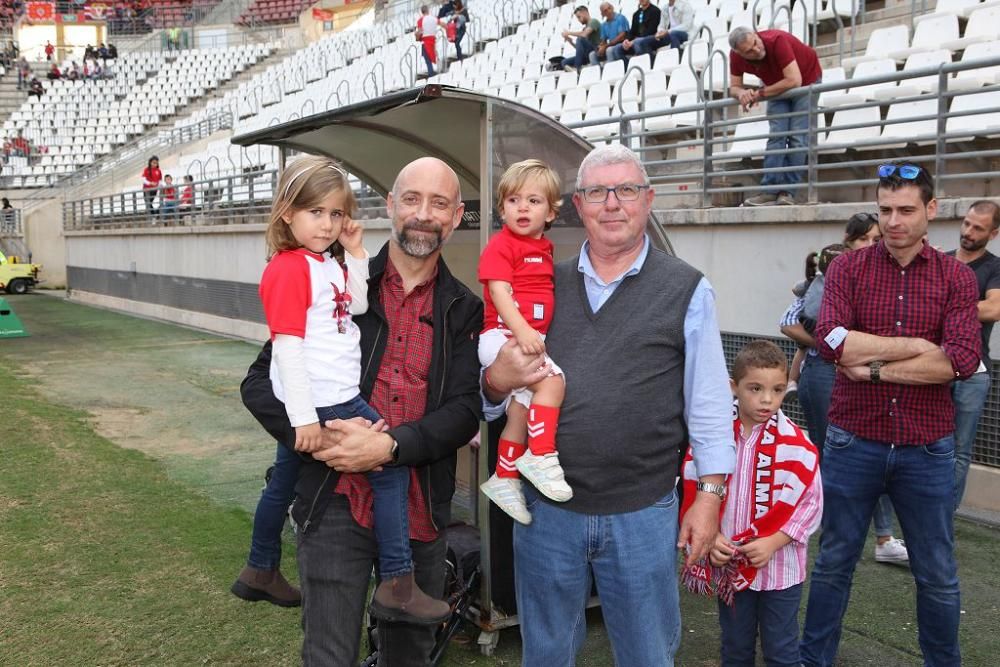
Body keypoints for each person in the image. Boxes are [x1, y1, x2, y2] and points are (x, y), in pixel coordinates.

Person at [482, 144, 735, 665]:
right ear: (578, 205)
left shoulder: (687, 288)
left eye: (627, 190)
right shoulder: (542, 281)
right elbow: (496, 394)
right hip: (547, 513)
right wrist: (493, 383)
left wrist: (709, 496)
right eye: (598, 191)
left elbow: (708, 403)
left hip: (642, 512)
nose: (612, 204)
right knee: (546, 652)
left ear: (649, 200)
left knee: (647, 654)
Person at [240, 156, 482, 666]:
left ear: (457, 216)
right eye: (411, 199)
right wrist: (321, 438)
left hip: (420, 508)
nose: (423, 214)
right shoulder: (337, 281)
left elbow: (464, 411)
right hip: (334, 503)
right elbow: (261, 381)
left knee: (410, 656)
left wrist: (390, 446)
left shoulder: (464, 307)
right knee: (329, 654)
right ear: (390, 206)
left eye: (438, 203)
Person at [800, 163, 980, 667]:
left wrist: (874, 368)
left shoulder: (958, 278)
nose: (894, 220)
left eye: (905, 210)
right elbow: (833, 341)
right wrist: (918, 348)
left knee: (937, 572)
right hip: (852, 441)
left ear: (931, 210)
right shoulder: (847, 268)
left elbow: (960, 360)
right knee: (834, 563)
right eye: (885, 210)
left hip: (926, 447)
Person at [680, 340, 822, 667]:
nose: (767, 400)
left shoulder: (799, 446)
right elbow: (693, 483)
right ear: (734, 387)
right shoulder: (712, 439)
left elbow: (810, 505)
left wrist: (774, 541)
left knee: (781, 651)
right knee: (735, 648)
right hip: (729, 564)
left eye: (777, 389)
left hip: (780, 571)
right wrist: (710, 538)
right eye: (755, 388)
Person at [782, 214, 908, 564]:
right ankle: (818, 525)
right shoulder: (834, 272)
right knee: (830, 453)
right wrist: (829, 344)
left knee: (877, 447)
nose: (872, 245)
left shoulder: (884, 274)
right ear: (849, 240)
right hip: (826, 372)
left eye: (876, 239)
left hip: (865, 373)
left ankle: (882, 537)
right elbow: (790, 320)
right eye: (866, 239)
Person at [478, 159, 571, 525]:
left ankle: (504, 476)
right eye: (514, 200)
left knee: (520, 409)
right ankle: (542, 454)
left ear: (550, 212)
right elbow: (499, 292)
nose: (523, 208)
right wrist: (522, 332)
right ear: (502, 209)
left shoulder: (544, 248)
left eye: (534, 201)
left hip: (524, 338)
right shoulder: (502, 245)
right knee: (552, 382)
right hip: (502, 339)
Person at [728, 27, 821, 207]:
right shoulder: (735, 57)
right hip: (775, 84)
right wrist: (741, 93)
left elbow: (794, 80)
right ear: (739, 53)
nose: (756, 50)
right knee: (776, 136)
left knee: (797, 137)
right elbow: (734, 86)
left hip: (806, 79)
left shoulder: (776, 40)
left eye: (755, 43)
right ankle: (769, 191)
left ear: (756, 35)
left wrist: (758, 94)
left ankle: (787, 192)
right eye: (749, 51)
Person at [947, 200, 1000, 511]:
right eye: (967, 223)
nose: (968, 231)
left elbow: (994, 307)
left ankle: (944, 516)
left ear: (992, 234)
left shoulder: (994, 267)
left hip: (973, 372)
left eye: (978, 228)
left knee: (959, 449)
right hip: (933, 365)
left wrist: (946, 309)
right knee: (923, 442)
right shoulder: (942, 261)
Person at [559, 5, 602, 72]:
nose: (578, 20)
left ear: (585, 13)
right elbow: (580, 50)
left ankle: (577, 68)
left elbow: (584, 34)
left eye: (579, 17)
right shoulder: (584, 29)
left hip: (597, 50)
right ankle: (577, 70)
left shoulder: (594, 21)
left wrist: (569, 33)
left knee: (580, 38)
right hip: (587, 54)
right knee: (564, 62)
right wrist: (569, 41)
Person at [416, 5, 440, 77]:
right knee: (431, 57)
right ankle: (432, 73)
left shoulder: (421, 20)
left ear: (422, 12)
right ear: (428, 10)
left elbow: (419, 32)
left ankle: (431, 73)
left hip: (425, 42)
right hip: (432, 40)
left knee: (428, 60)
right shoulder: (433, 18)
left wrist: (417, 36)